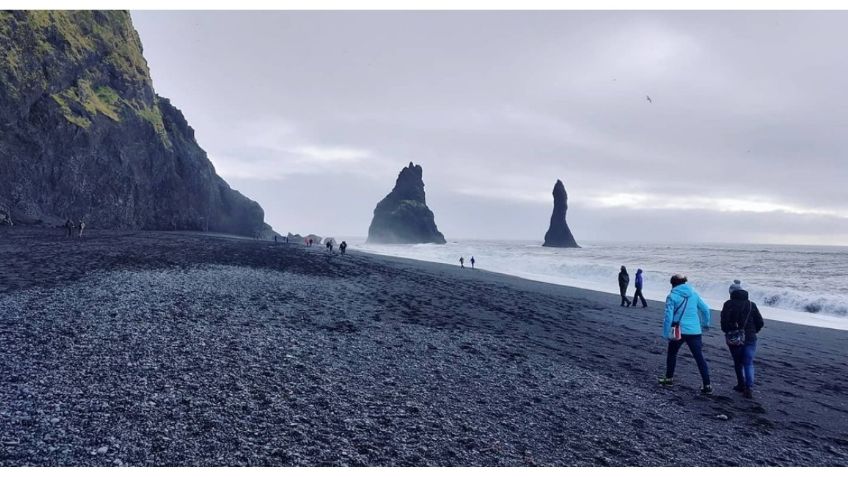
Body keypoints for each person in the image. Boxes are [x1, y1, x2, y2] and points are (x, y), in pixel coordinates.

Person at [659, 274, 713, 394]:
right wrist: (705, 324)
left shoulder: (672, 296)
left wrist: (666, 333)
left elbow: (668, 316)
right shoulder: (694, 294)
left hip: (678, 330)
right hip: (695, 331)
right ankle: (707, 385)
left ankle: (669, 379)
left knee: (672, 354)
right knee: (699, 358)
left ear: (672, 283)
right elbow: (705, 309)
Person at [720, 280, 764, 399]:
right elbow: (760, 322)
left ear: (731, 293)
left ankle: (740, 384)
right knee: (748, 363)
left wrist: (727, 331)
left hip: (734, 337)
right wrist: (754, 331)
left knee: (738, 362)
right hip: (750, 337)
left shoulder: (728, 304)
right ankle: (748, 387)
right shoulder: (751, 304)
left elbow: (723, 322)